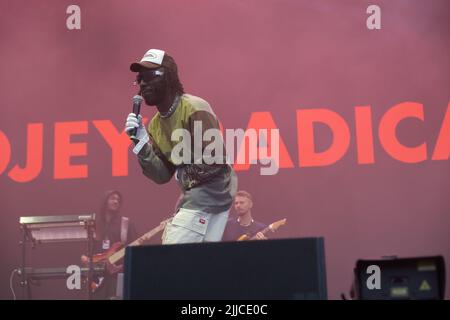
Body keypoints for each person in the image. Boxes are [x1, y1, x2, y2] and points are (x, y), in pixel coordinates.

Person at [125, 49, 237, 244]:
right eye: (140, 78)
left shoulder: (194, 107)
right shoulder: (155, 124)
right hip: (198, 199)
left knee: (169, 260)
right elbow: (161, 176)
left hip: (211, 196)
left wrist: (181, 175)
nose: (143, 83)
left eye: (150, 76)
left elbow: (215, 161)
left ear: (168, 78)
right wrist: (141, 144)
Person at [81, 190, 137, 299]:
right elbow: (88, 252)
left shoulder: (126, 223)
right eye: (112, 198)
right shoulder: (94, 224)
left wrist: (122, 266)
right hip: (97, 278)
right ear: (105, 201)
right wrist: (86, 260)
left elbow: (134, 250)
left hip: (117, 275)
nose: (116, 201)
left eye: (118, 200)